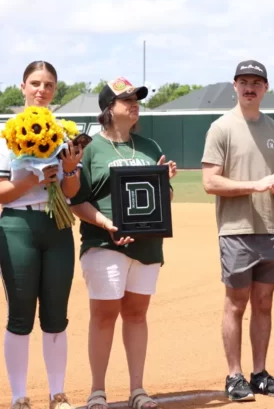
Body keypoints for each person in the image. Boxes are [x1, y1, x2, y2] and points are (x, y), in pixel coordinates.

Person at [68, 77, 177, 409]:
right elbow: (77, 201)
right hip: (105, 244)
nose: (134, 103)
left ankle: (137, 390)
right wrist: (106, 224)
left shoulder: (149, 147)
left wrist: (165, 182)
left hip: (147, 246)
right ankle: (97, 391)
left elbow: (165, 199)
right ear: (108, 108)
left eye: (136, 99)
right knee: (104, 316)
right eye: (126, 99)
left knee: (137, 314)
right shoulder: (91, 150)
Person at [200, 60, 274, 402]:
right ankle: (234, 375)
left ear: (265, 87)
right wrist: (256, 185)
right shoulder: (221, 128)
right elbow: (210, 182)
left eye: (256, 82)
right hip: (236, 230)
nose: (250, 87)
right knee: (236, 303)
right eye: (244, 82)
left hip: (270, 228)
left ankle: (260, 374)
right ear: (235, 86)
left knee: (264, 303)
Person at [1, 61, 84, 409]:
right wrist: (33, 179)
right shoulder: (6, 134)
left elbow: (71, 192)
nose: (41, 90)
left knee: (55, 314)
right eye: (35, 83)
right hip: (18, 226)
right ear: (22, 87)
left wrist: (69, 170)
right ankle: (19, 397)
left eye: (48, 85)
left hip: (56, 225)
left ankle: (57, 394)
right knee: (20, 314)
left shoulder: (64, 133)